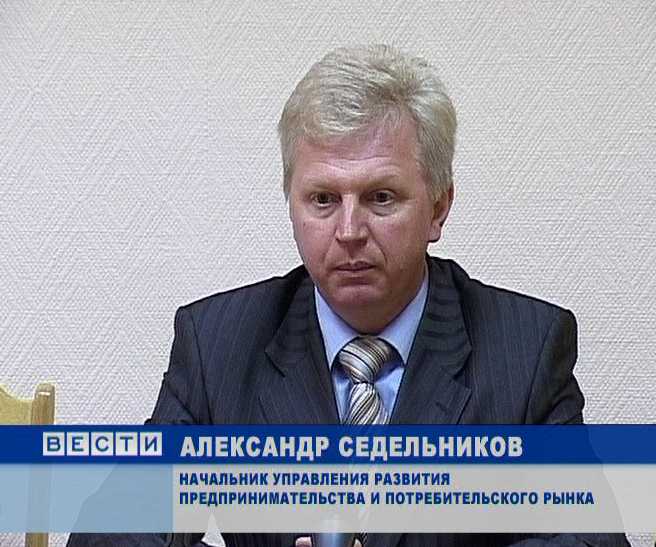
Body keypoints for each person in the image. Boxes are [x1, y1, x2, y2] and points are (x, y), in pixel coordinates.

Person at [68, 45, 628, 547]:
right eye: (323, 199)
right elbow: (109, 532)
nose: (350, 230)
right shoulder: (218, 344)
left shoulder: (526, 348)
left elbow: (590, 538)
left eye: (381, 197)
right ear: (291, 204)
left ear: (438, 207)